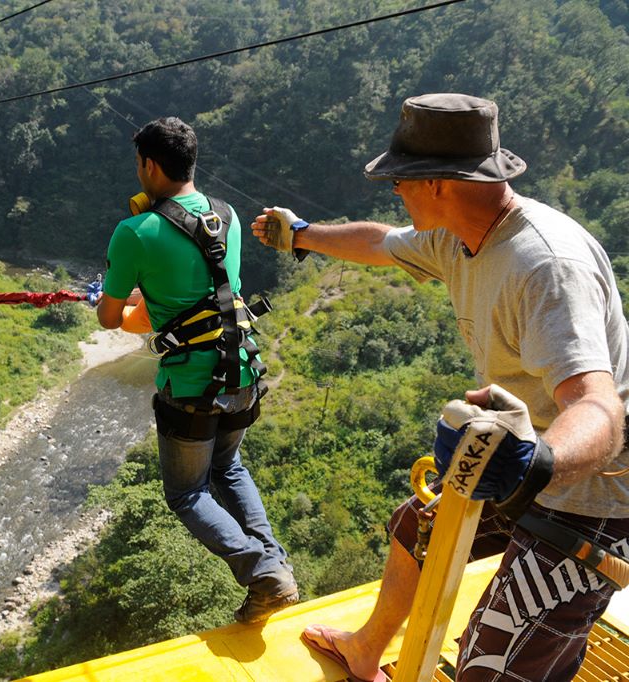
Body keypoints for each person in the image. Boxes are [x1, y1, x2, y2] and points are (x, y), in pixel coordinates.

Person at [252, 93, 629, 681]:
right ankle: (366, 650)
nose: (396, 190)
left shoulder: (546, 267)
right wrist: (301, 235)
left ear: (439, 183)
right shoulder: (460, 235)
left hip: (595, 495)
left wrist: (534, 463)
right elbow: (379, 243)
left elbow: (597, 406)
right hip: (523, 455)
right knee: (417, 527)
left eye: (402, 180)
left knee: (490, 658)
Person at [96, 116, 298, 624]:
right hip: (242, 372)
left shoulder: (135, 231)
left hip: (191, 385)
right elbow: (206, 293)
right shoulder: (225, 217)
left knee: (187, 493)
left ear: (148, 164)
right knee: (228, 469)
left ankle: (260, 570)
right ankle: (275, 569)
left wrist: (126, 300)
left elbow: (109, 315)